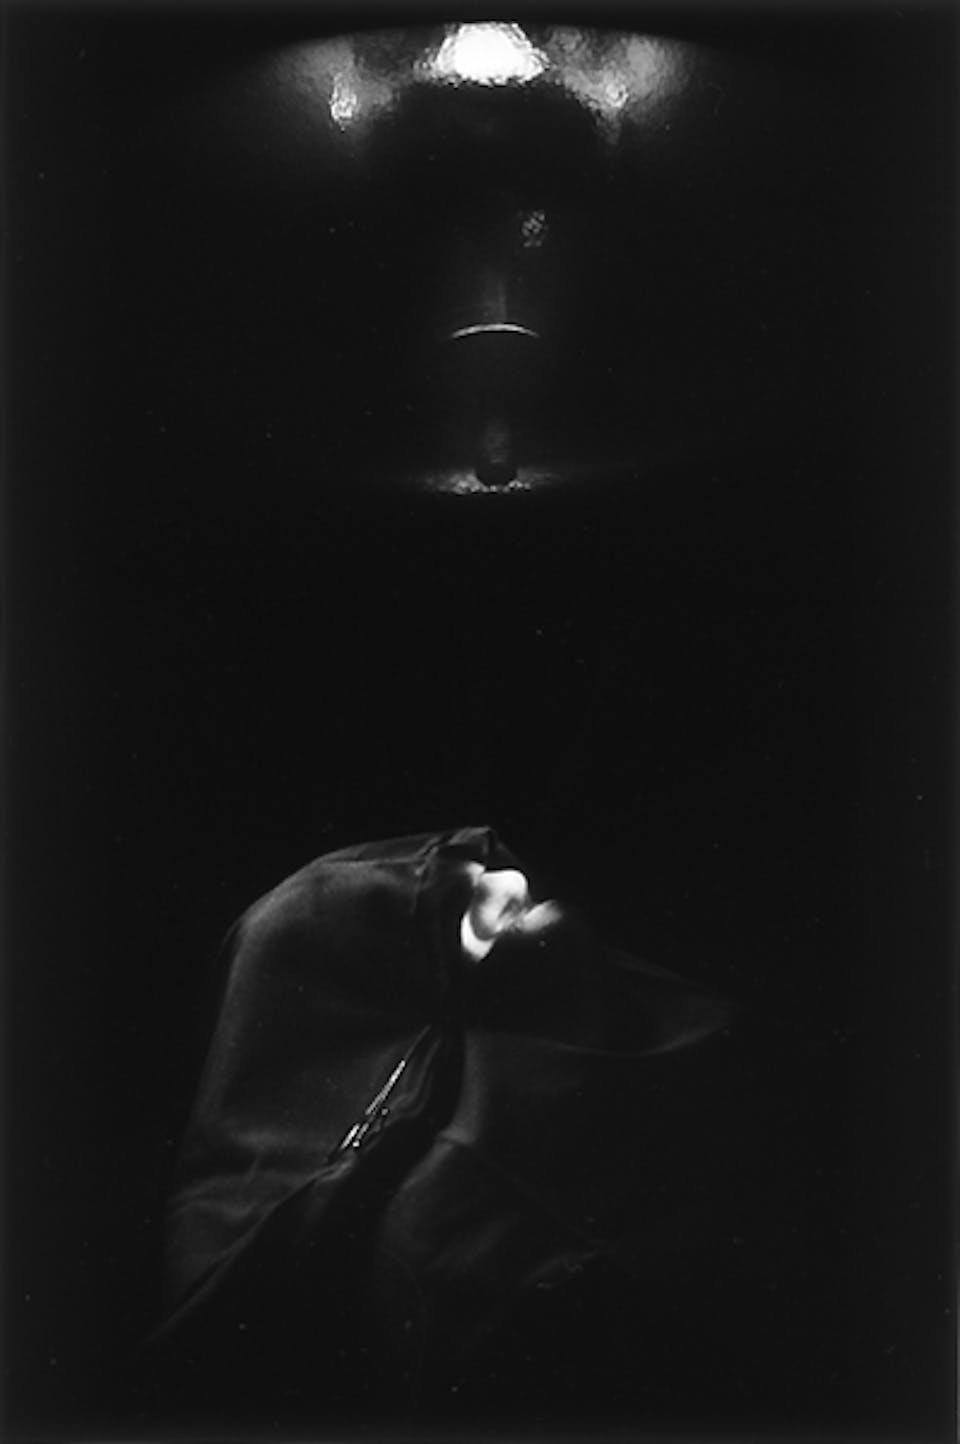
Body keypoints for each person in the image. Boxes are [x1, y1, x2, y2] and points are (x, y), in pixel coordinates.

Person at [147, 825, 800, 1432]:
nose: (511, 883)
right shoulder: (439, 1253)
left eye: (475, 872)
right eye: (448, 911)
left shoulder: (649, 1032)